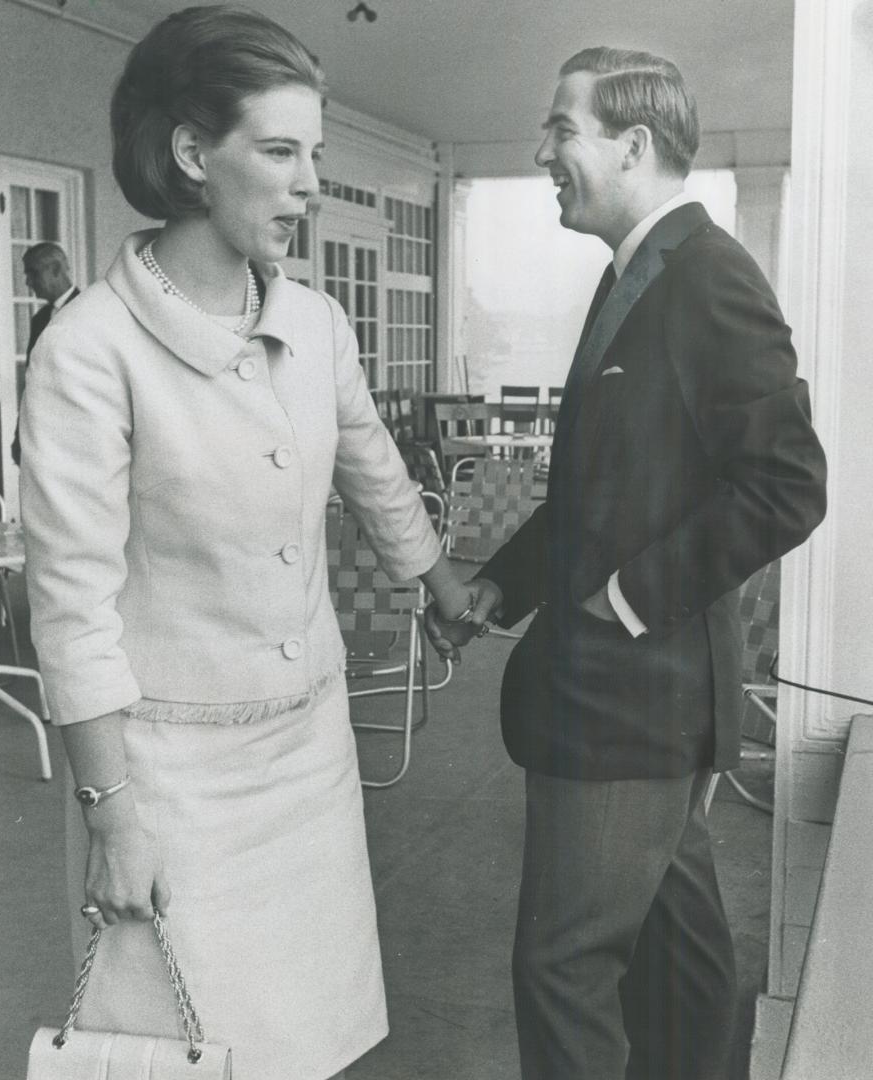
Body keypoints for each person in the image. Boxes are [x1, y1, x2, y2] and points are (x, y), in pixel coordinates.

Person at [19, 7, 473, 1079]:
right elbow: (71, 609)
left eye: (312, 152)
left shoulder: (314, 322)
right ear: (190, 153)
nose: (310, 182)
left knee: (305, 1045)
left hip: (309, 756)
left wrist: (445, 585)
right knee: (186, 1051)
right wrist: (111, 815)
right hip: (169, 782)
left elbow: (372, 467)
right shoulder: (89, 350)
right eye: (280, 151)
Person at [426, 47, 827, 1080]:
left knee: (562, 966)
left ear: (632, 145)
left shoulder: (706, 277)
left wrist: (624, 596)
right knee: (683, 963)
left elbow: (787, 483)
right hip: (626, 705)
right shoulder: (637, 276)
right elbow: (601, 489)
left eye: (561, 129)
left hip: (626, 705)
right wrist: (496, 587)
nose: (541, 151)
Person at [10, 242, 79, 466]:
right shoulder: (39, 320)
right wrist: (21, 434)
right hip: (42, 436)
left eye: (33, 272)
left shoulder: (88, 310)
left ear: (56, 270)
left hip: (75, 436)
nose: (28, 281)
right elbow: (33, 380)